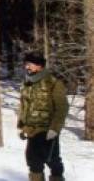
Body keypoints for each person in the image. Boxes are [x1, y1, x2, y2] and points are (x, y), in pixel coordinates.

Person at [18, 51, 68, 181]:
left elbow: (62, 108)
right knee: (33, 161)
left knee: (52, 160)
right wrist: (22, 126)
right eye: (26, 64)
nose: (27, 67)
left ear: (40, 66)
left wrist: (55, 129)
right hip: (32, 130)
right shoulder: (27, 83)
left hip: (47, 130)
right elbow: (25, 106)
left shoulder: (53, 83)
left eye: (30, 64)